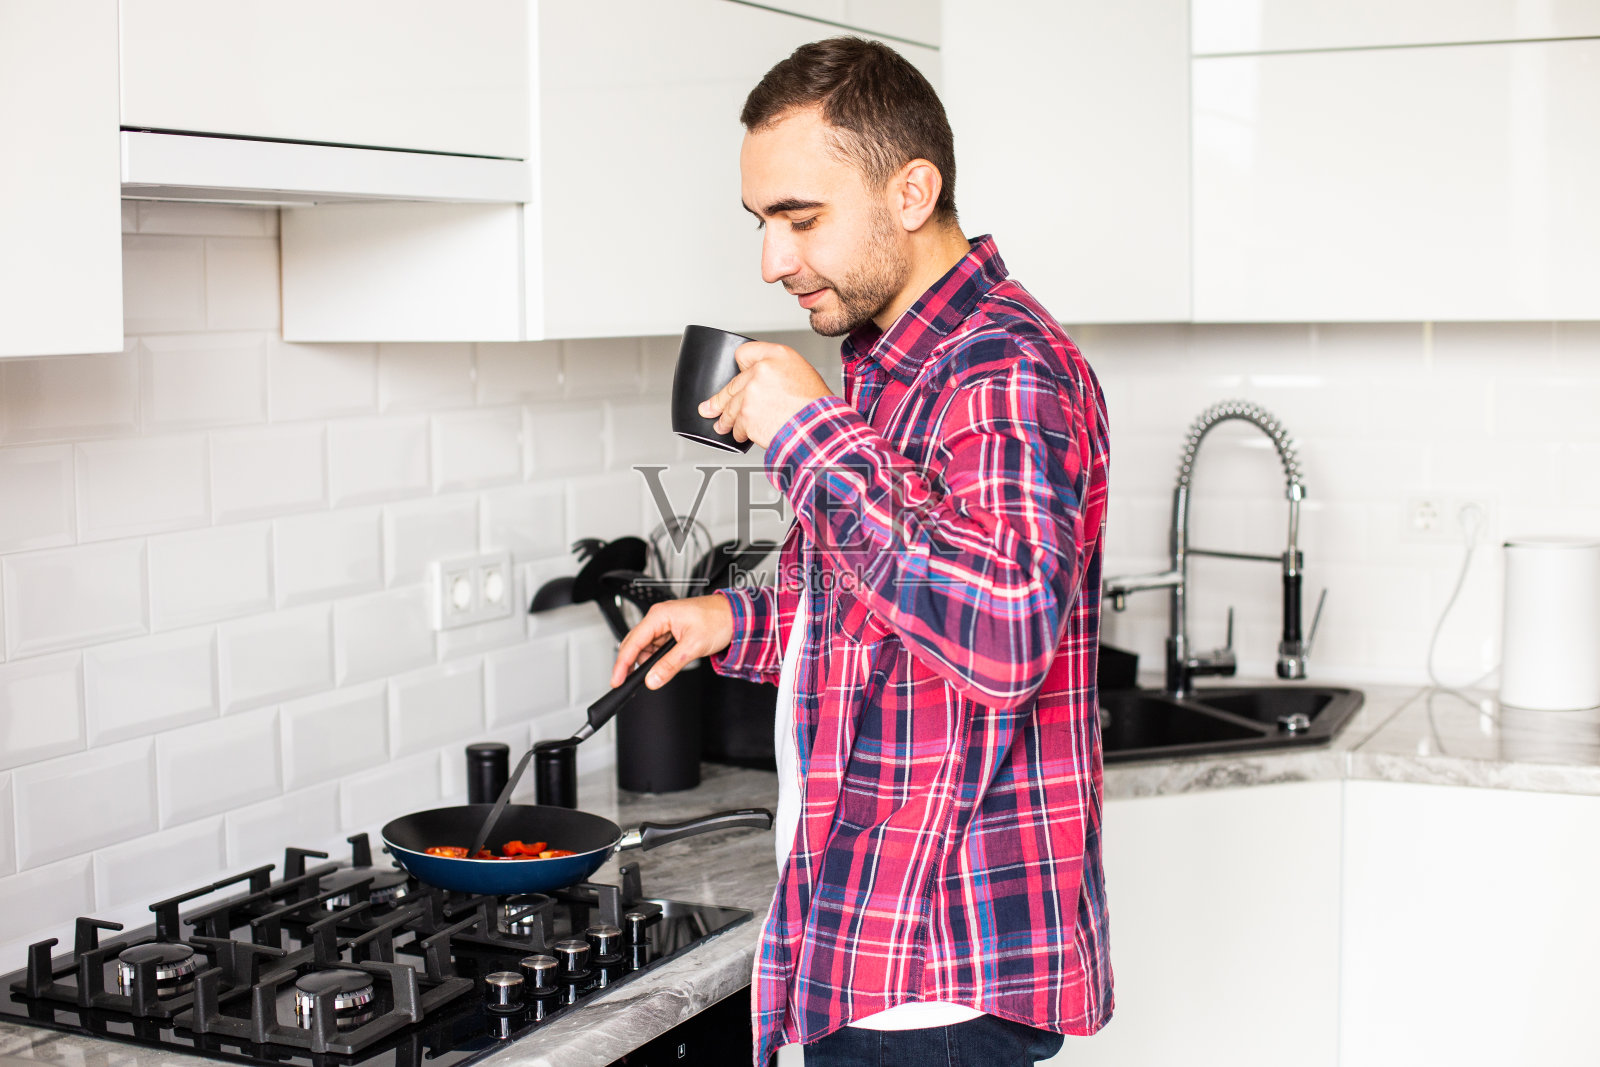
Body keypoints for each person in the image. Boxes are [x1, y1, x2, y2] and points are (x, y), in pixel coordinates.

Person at [610, 36, 1112, 1067]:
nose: (773, 259)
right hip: (874, 944)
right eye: (762, 223)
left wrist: (806, 433)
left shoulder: (1004, 368)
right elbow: (872, 589)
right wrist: (728, 620)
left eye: (801, 218)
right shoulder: (891, 360)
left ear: (912, 189)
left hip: (937, 973)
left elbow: (1006, 630)